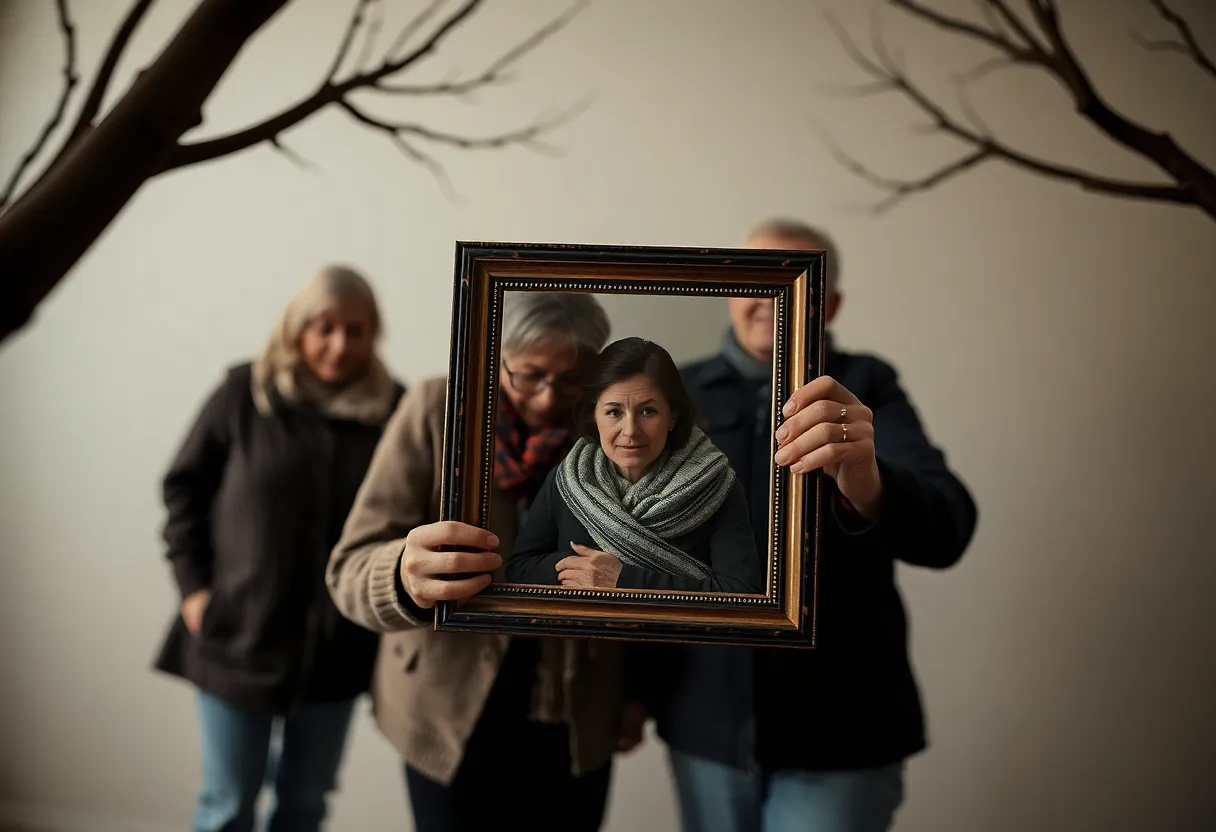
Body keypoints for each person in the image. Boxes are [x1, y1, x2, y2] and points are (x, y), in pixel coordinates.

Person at [642, 218, 979, 832]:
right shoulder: (671, 391)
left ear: (834, 303)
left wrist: (864, 476)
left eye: (797, 280)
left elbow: (949, 527)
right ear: (725, 290)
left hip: (844, 731)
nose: (771, 296)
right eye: (753, 279)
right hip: (703, 728)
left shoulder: (866, 386)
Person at [326, 292, 643, 832]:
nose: (546, 399)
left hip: (577, 715)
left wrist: (637, 694)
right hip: (447, 712)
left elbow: (660, 579)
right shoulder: (435, 408)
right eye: (529, 376)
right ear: (497, 359)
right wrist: (403, 573)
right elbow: (349, 569)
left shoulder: (623, 430)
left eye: (570, 381)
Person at [152, 265, 406, 832]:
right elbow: (182, 492)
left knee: (305, 804)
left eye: (356, 330)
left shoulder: (395, 412)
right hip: (237, 635)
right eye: (324, 327)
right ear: (296, 330)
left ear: (374, 335)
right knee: (228, 805)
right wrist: (195, 591)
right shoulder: (245, 394)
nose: (340, 345)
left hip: (338, 645)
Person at [506, 336, 763, 594]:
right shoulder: (567, 479)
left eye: (647, 411)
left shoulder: (716, 485)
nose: (630, 431)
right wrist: (583, 572)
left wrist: (623, 580)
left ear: (672, 415)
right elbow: (520, 569)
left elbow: (742, 593)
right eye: (614, 412)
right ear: (595, 414)